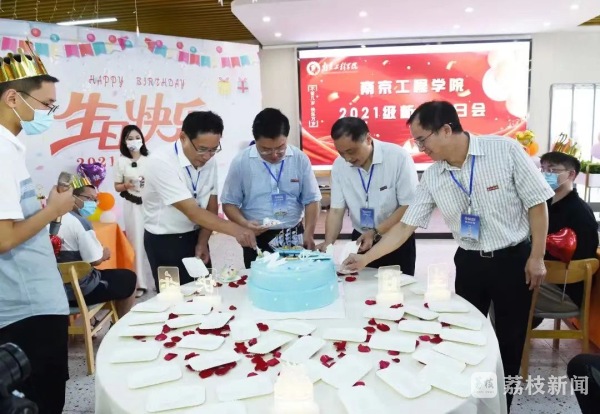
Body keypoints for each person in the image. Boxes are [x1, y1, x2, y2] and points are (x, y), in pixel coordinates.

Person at [343, 101, 555, 409]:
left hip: (512, 260)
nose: (420, 147)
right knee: (463, 335)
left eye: (422, 140)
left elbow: (537, 203)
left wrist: (537, 256)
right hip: (469, 262)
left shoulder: (504, 150)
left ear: (445, 129)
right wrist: (366, 258)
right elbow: (405, 227)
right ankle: (471, 404)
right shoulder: (433, 176)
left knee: (509, 340)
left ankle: (500, 406)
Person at [0, 44, 75, 414]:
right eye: (46, 105)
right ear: (13, 98)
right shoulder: (1, 151)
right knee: (43, 400)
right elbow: (4, 239)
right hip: (26, 309)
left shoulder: (11, 148)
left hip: (32, 299)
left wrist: (50, 210)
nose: (49, 114)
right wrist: (53, 211)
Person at [143, 111, 256, 287]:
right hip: (165, 242)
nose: (207, 156)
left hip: (196, 235)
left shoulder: (209, 161)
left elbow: (211, 206)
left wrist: (202, 242)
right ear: (183, 138)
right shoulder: (160, 162)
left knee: (204, 291)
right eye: (202, 149)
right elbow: (192, 211)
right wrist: (237, 230)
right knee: (172, 296)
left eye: (213, 149)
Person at [316, 117, 418, 275]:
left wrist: (376, 231)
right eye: (341, 153)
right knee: (359, 285)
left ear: (368, 139)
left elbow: (408, 205)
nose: (348, 158)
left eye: (351, 151)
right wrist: (328, 243)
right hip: (360, 240)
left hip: (396, 237)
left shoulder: (397, 157)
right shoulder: (339, 166)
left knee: (395, 287)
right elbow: (336, 210)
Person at [221, 108, 321, 268]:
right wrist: (244, 223)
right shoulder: (241, 162)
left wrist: (308, 234)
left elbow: (312, 200)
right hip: (257, 235)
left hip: (293, 233)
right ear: (256, 141)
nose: (274, 155)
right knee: (260, 278)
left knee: (296, 277)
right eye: (266, 150)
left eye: (280, 147)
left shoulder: (299, 159)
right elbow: (229, 203)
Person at [529, 152, 600, 328]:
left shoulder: (580, 214)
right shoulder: (544, 204)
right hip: (544, 281)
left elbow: (581, 261)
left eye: (553, 170)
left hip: (564, 292)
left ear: (571, 174)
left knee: (504, 285)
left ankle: (513, 338)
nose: (546, 174)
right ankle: (516, 333)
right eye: (543, 169)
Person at [57, 176, 137, 317]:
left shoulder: (50, 218)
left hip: (54, 290)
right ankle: (120, 325)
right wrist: (104, 254)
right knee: (130, 278)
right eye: (89, 198)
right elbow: (94, 260)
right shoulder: (80, 223)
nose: (93, 203)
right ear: (73, 196)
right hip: (79, 291)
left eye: (95, 200)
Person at [114, 125, 153, 297]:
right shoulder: (121, 161)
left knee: (155, 240)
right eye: (130, 138)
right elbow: (117, 186)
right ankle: (140, 283)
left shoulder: (150, 159)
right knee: (136, 242)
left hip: (151, 204)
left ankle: (161, 280)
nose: (134, 141)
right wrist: (127, 185)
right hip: (132, 204)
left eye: (137, 137)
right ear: (124, 141)